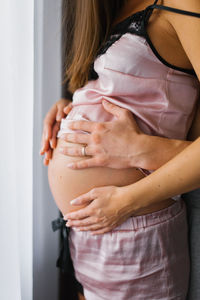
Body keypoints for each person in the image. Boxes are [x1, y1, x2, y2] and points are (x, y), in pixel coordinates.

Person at [40, 0, 200, 299]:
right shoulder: (108, 7)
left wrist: (127, 196)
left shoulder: (182, 4)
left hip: (135, 225)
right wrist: (72, 108)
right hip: (90, 231)